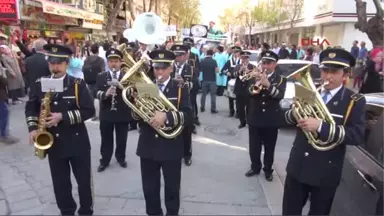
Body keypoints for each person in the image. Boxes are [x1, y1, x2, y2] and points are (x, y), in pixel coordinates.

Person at [282, 48, 366, 215]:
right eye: (325, 70)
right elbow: (286, 119)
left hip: (325, 172)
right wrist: (294, 111)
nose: (328, 76)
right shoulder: (309, 92)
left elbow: (356, 135)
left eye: (334, 71)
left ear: (345, 74)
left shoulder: (354, 101)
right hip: (298, 166)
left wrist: (321, 126)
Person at [25, 44, 95, 215]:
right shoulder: (39, 84)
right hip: (54, 142)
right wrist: (33, 128)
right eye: (52, 63)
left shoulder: (77, 84)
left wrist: (62, 116)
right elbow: (31, 108)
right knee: (60, 181)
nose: (55, 67)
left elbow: (89, 110)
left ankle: (86, 210)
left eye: (59, 63)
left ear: (67, 63)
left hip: (77, 141)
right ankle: (66, 210)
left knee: (84, 181)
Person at [134, 49, 192, 216]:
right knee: (149, 189)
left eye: (163, 68)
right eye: (156, 68)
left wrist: (166, 117)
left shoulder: (180, 88)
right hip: (148, 146)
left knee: (172, 189)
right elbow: (137, 117)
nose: (159, 72)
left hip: (171, 146)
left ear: (171, 68)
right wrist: (137, 106)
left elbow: (188, 115)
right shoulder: (147, 86)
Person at [245, 50, 287, 181]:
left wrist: (268, 85)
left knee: (269, 147)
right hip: (255, 117)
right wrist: (256, 82)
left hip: (271, 119)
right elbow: (249, 92)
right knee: (254, 146)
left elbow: (279, 96)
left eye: (269, 63)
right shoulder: (254, 75)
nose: (265, 66)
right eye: (264, 63)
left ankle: (268, 169)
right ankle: (255, 167)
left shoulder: (280, 79)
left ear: (275, 64)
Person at [95, 48, 132, 172]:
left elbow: (132, 92)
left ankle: (121, 158)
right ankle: (105, 160)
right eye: (111, 61)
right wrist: (105, 94)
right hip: (106, 113)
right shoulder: (101, 76)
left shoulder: (127, 77)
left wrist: (125, 89)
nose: (114, 64)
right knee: (106, 139)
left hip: (122, 112)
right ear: (108, 62)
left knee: (122, 138)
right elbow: (95, 92)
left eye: (116, 61)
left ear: (121, 62)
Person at [171, 44, 194, 166]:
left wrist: (184, 83)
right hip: (171, 101)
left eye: (180, 55)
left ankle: (187, 155)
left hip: (184, 102)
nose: (178, 58)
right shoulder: (168, 67)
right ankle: (174, 152)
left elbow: (193, 85)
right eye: (176, 55)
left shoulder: (189, 67)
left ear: (185, 56)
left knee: (186, 130)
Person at [233, 51, 254, 128]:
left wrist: (249, 72)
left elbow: (255, 77)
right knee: (240, 108)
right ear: (240, 58)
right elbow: (234, 75)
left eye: (246, 58)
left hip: (249, 90)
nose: (244, 59)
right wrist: (240, 71)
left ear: (249, 58)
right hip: (240, 90)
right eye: (243, 58)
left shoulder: (253, 67)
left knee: (250, 108)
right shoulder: (238, 66)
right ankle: (242, 122)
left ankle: (249, 122)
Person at [183, 37, 201, 126]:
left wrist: (192, 79)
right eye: (185, 44)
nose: (187, 46)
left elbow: (198, 69)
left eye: (189, 45)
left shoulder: (195, 56)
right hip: (181, 82)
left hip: (192, 82)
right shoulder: (179, 55)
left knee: (192, 102)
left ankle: (194, 119)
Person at [221, 46, 241, 117]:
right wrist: (227, 73)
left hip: (239, 81)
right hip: (230, 81)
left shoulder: (241, 61)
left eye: (237, 52)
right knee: (230, 98)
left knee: (238, 98)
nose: (235, 54)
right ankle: (231, 111)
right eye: (234, 52)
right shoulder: (229, 61)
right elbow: (223, 69)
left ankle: (239, 112)